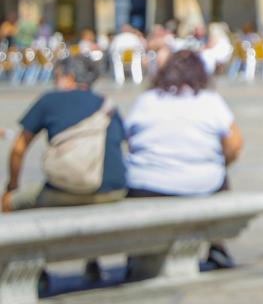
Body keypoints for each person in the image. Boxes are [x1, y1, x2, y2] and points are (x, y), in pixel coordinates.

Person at [123, 50, 243, 269]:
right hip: (201, 183)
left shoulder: (146, 101)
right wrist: (220, 162)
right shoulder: (210, 100)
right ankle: (218, 245)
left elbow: (129, 141)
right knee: (221, 176)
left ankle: (136, 252)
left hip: (146, 185)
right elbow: (235, 144)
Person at [4, 55, 128, 212]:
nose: (54, 83)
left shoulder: (50, 100)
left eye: (56, 77)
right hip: (114, 191)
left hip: (69, 190)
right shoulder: (108, 106)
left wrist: (12, 186)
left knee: (10, 202)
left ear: (69, 77)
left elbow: (18, 149)